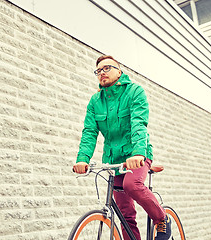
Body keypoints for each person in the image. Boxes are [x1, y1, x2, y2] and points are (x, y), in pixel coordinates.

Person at [73, 55, 171, 240]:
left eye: (107, 68)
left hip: (137, 155)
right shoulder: (95, 101)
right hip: (114, 161)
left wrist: (138, 153)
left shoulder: (134, 92)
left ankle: (162, 219)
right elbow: (89, 132)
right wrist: (82, 159)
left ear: (119, 71)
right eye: (98, 71)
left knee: (131, 185)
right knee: (125, 213)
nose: (102, 73)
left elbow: (138, 124)